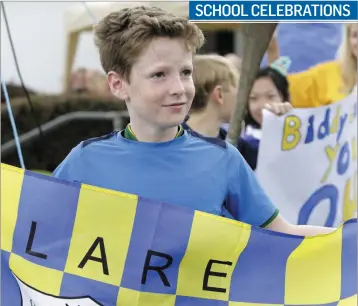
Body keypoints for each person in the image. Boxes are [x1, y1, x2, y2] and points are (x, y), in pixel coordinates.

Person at [53, 6, 334, 235]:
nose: (180, 87)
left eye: (186, 72)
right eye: (159, 74)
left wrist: (343, 241)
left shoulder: (224, 159)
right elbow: (39, 236)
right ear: (118, 84)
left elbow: (281, 234)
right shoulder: (83, 161)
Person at [185, 55, 291, 170]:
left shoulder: (238, 147)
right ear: (219, 95)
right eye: (238, 88)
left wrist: (280, 124)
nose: (244, 97)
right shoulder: (168, 141)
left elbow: (275, 167)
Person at [268, 23, 357, 107]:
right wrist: (272, 50)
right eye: (355, 35)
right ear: (348, 39)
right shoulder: (328, 75)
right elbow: (282, 89)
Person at [238, 57, 292, 170]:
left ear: (284, 97)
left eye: (270, 96)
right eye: (253, 98)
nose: (262, 105)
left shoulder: (303, 134)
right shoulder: (241, 143)